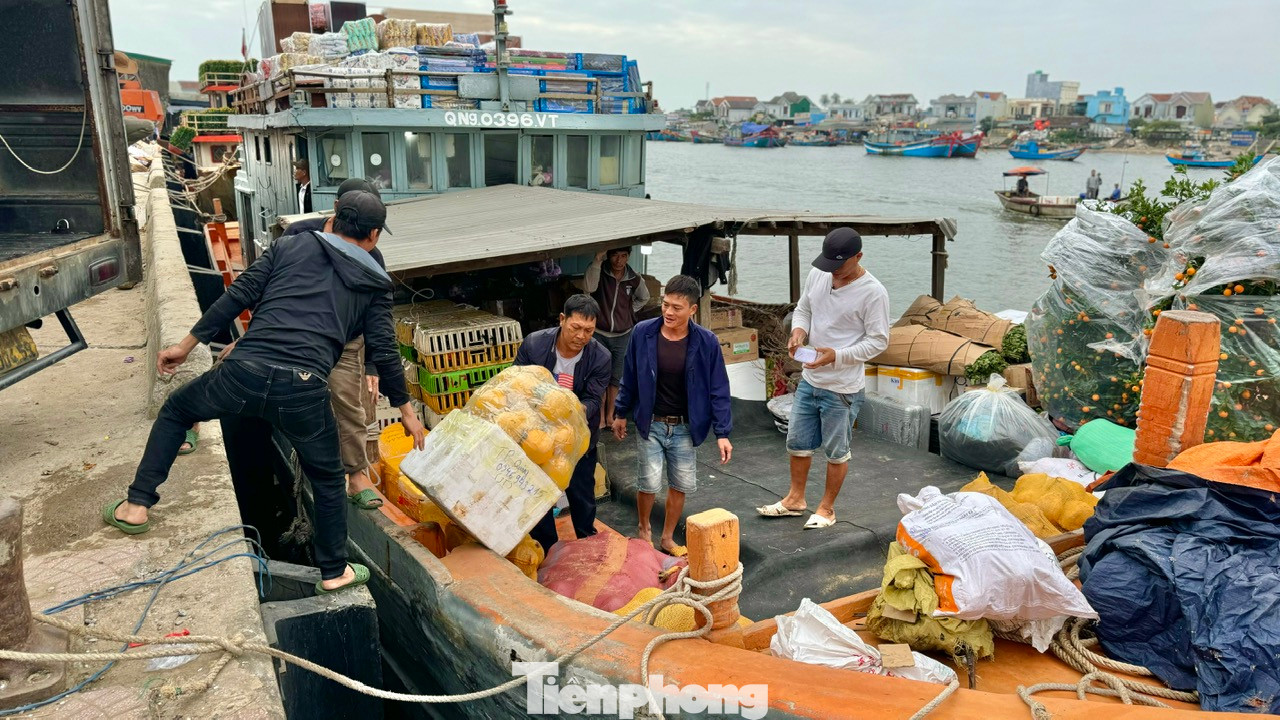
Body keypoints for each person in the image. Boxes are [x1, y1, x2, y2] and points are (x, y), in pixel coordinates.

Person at [104, 191, 425, 595]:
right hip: (304, 391)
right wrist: (405, 409)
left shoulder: (291, 245)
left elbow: (239, 294)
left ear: (334, 220)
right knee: (327, 478)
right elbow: (383, 347)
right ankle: (334, 572)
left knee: (176, 411)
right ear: (374, 235)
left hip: (243, 372)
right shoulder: (375, 283)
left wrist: (186, 345)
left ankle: (136, 507)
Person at [757, 227, 889, 530]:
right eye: (829, 263)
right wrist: (798, 332)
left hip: (842, 388)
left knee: (836, 451)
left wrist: (837, 355)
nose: (834, 272)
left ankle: (827, 509)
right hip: (811, 379)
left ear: (858, 257)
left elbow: (879, 341)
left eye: (840, 265)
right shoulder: (819, 273)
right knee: (797, 443)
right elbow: (804, 308)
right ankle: (795, 500)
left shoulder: (874, 292)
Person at [284, 178, 394, 510]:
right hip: (297, 332)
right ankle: (192, 417)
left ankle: (356, 475)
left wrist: (372, 366)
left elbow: (377, 319)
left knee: (349, 407)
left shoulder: (373, 255)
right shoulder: (299, 236)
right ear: (337, 209)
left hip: (346, 344)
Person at [612, 275, 732, 555]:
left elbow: (719, 388)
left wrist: (723, 433)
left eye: (677, 307)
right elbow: (628, 375)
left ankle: (667, 538)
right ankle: (644, 530)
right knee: (649, 482)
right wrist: (620, 412)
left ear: (692, 310)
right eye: (666, 304)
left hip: (685, 427)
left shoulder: (706, 342)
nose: (668, 312)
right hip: (651, 422)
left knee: (679, 484)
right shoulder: (643, 333)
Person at [515, 294, 612, 553]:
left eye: (589, 331)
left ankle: (586, 541)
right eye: (575, 328)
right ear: (562, 320)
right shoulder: (535, 345)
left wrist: (573, 408)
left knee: (582, 491)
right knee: (539, 489)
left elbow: (594, 399)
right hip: (538, 433)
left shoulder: (600, 357)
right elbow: (517, 383)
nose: (581, 336)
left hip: (577, 434)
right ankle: (546, 546)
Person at [585, 248, 650, 428]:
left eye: (623, 256)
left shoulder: (634, 278)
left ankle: (610, 416)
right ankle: (598, 418)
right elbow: (588, 288)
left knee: (616, 378)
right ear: (609, 256)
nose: (619, 260)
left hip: (623, 335)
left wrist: (628, 313)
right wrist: (597, 260)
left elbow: (644, 298)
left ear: (628, 256)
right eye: (615, 255)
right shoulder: (600, 271)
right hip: (599, 333)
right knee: (598, 376)